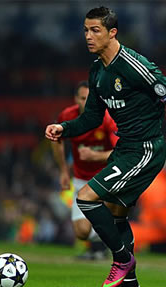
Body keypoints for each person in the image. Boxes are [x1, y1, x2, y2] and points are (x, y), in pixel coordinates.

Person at [45, 6, 166, 287]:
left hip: (146, 149)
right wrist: (65, 128)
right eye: (86, 30)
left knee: (86, 199)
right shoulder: (97, 70)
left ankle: (122, 259)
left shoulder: (135, 65)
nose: (88, 36)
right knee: (116, 216)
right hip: (125, 148)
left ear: (112, 33)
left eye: (95, 30)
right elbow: (92, 119)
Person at [51, 80, 118, 259]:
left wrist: (95, 156)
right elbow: (56, 140)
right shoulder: (67, 116)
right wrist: (64, 170)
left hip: (105, 178)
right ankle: (101, 244)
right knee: (81, 232)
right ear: (76, 99)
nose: (86, 102)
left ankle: (105, 248)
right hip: (80, 179)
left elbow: (121, 151)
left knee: (109, 211)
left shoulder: (107, 119)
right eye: (82, 98)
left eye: (90, 98)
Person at [130, 169, 166, 252]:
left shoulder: (155, 185)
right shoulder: (162, 183)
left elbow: (162, 211)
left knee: (128, 232)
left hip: (164, 233)